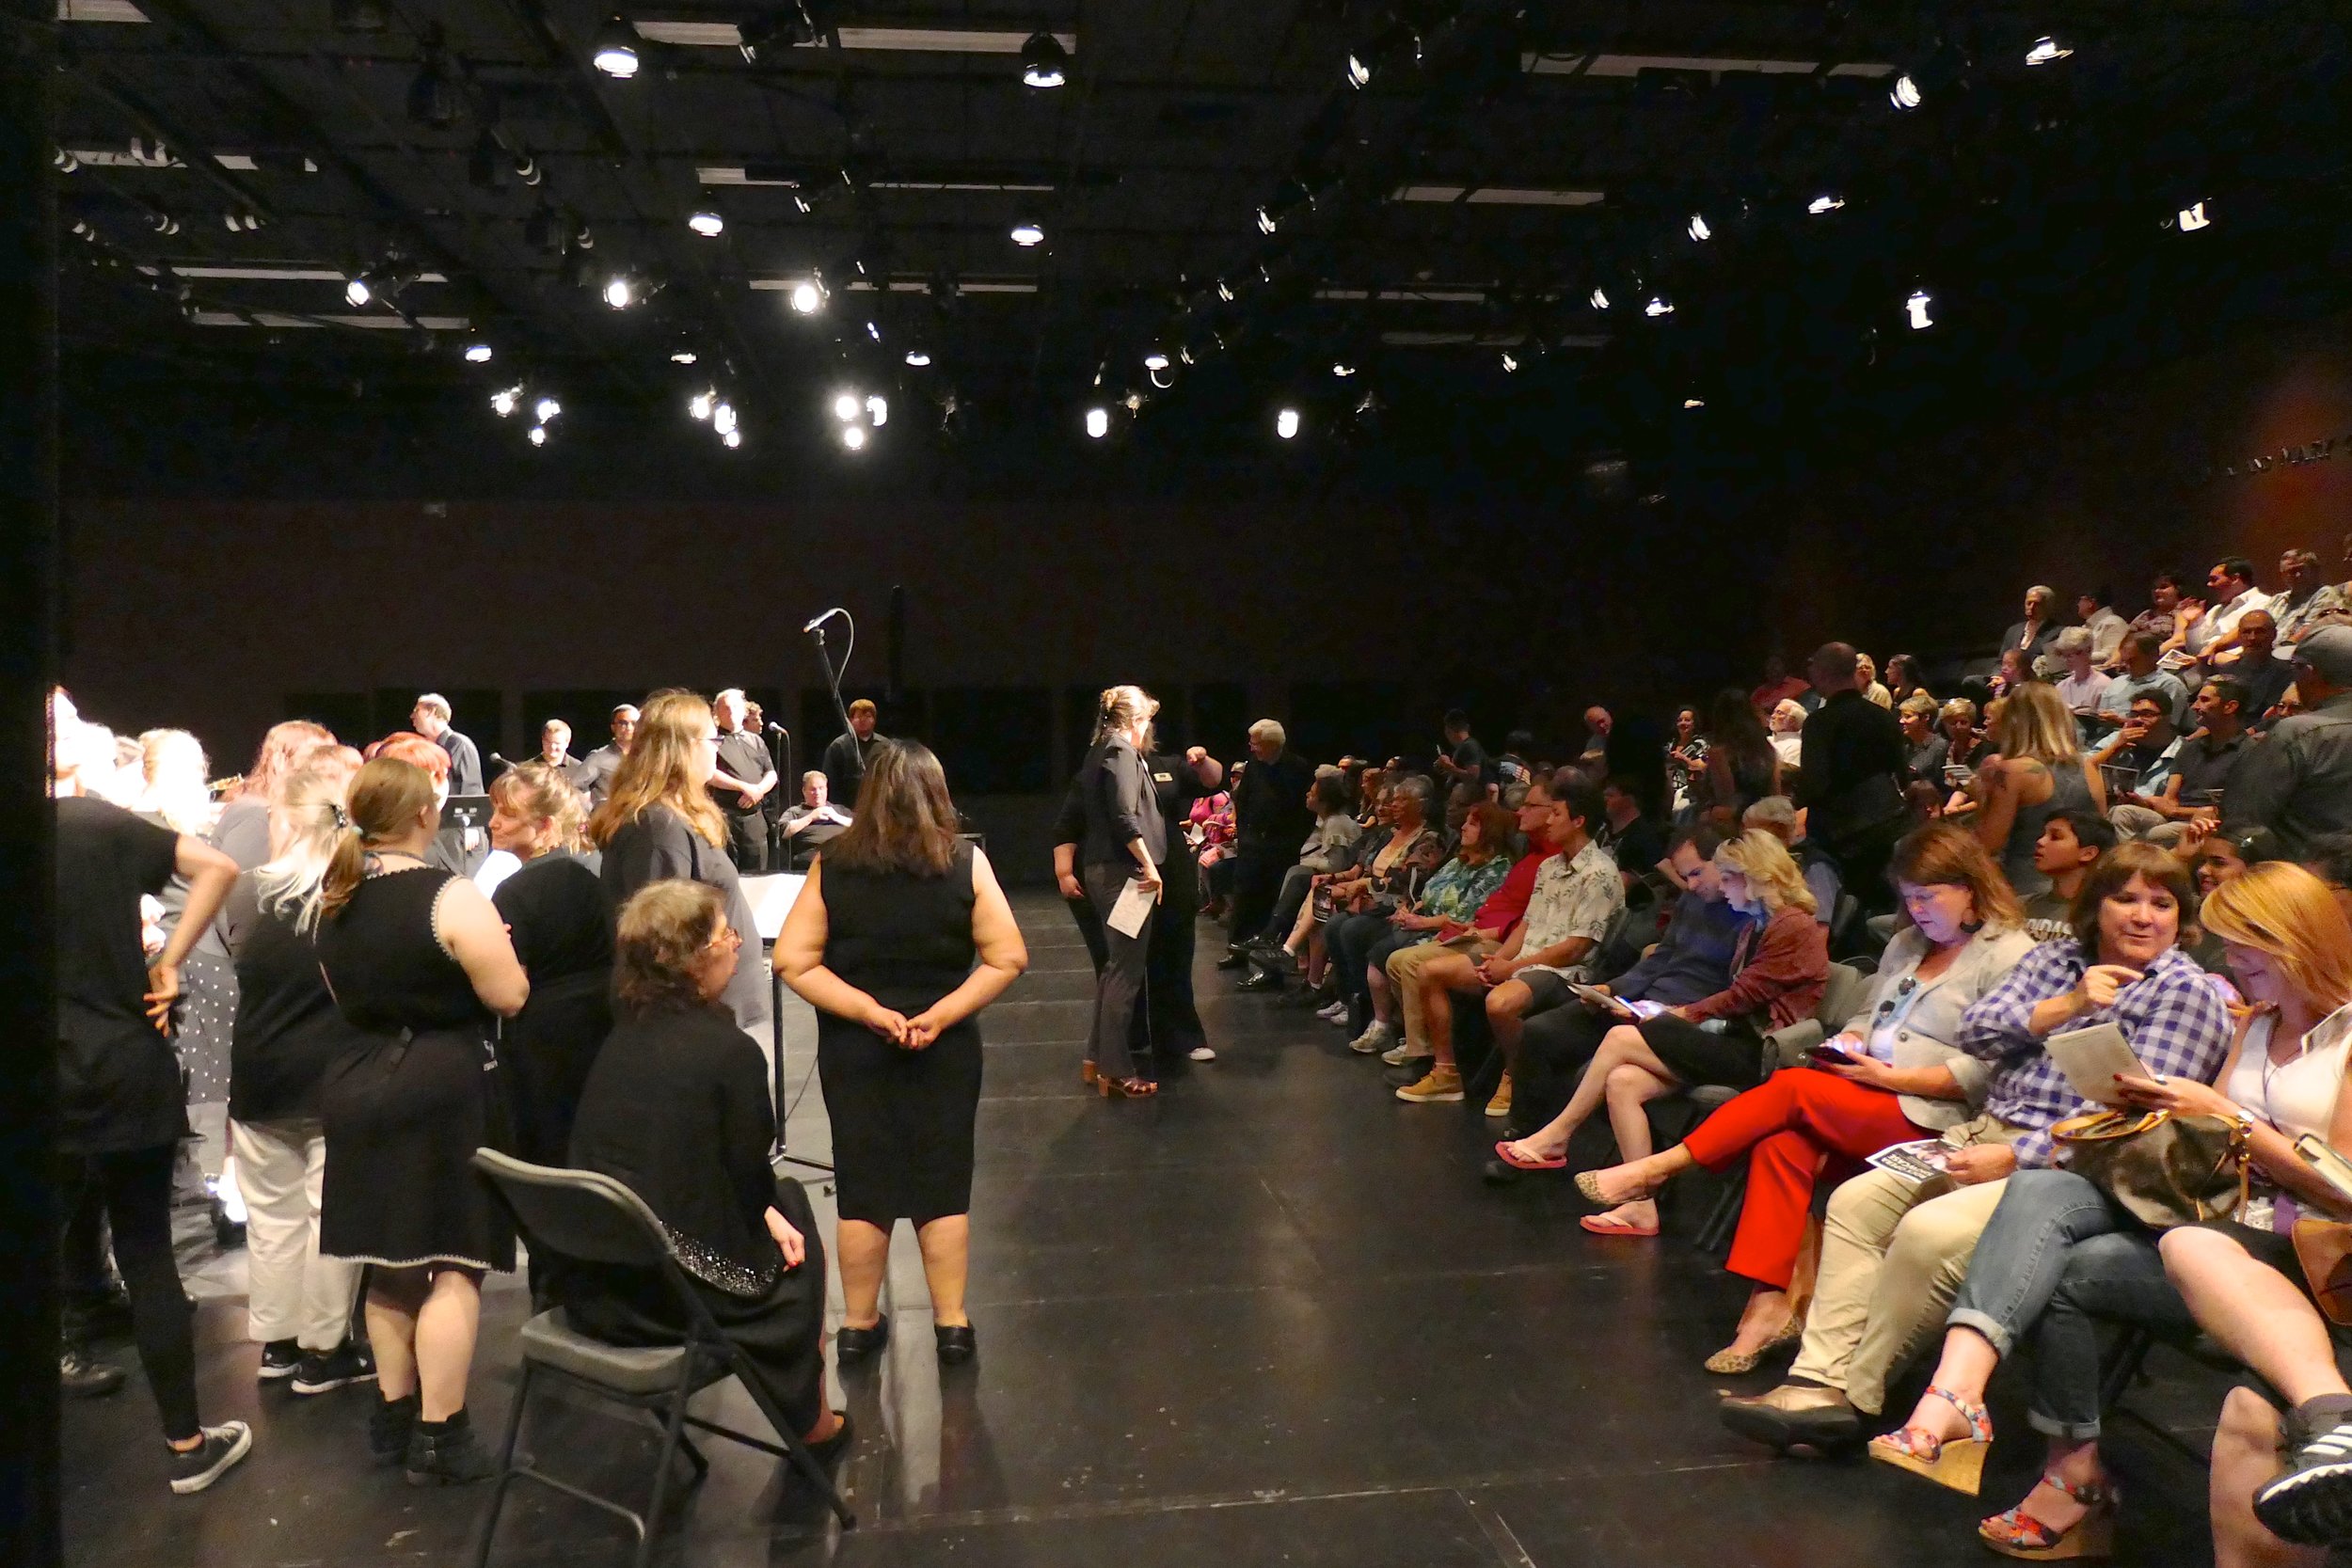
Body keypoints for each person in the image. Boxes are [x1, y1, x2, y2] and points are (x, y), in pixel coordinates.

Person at [1873, 864, 2351, 1558]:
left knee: (2145, 1248)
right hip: (2227, 1223)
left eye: (2243, 947)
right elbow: (2206, 1148)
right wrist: (2148, 1109)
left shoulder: (2343, 1036)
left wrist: (2229, 1119)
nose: (2233, 963)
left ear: (2290, 939)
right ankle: (1984, 1409)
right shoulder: (2256, 1024)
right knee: (2054, 1215)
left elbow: (2341, 1186)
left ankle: (2056, 1470)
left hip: (2308, 1247)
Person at [1719, 842, 2232, 1457]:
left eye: (2162, 902)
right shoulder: (2058, 960)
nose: (2143, 916)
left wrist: (2014, 1157)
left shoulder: (2182, 992)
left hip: (2069, 1170)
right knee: (1855, 1202)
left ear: (2182, 916)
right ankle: (1816, 1381)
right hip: (1980, 1132)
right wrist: (2070, 1004)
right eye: (2126, 898)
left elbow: (2125, 1121)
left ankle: (1853, 1399)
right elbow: (1976, 1031)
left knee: (1927, 1233)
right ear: (2096, 906)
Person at [1555, 825, 2035, 1370]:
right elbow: (1865, 1014)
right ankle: (1768, 1308)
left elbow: (1989, 1071)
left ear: (1971, 887)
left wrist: (1892, 1079)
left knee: (1792, 1086)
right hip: (1862, 1091)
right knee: (1781, 1145)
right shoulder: (1906, 944)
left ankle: (1658, 1169)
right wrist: (1851, 1040)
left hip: (1933, 1113)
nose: (1918, 909)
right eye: (1909, 897)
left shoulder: (2010, 954)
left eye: (1930, 896)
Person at [563, 880, 847, 1455]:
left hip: (596, 1289)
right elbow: (748, 1173)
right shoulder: (729, 1053)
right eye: (725, 935)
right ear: (690, 959)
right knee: (792, 1208)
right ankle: (811, 1425)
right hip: (673, 1299)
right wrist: (767, 1211)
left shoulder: (619, 1039)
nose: (737, 945)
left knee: (775, 1206)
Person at [774, 738, 1026, 1362]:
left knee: (865, 1183)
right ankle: (953, 1325)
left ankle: (858, 1326)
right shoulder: (966, 862)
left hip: (856, 1049)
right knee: (943, 1180)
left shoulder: (832, 863)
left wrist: (869, 1011)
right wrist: (937, 1015)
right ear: (936, 794)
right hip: (945, 1049)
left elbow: (792, 960)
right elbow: (1008, 956)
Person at [314, 755, 531, 1484]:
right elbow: (509, 995)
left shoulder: (332, 897)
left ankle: (393, 1415)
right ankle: (444, 1434)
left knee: (389, 1257)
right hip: (439, 1087)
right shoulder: (451, 894)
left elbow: (343, 994)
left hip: (354, 1081)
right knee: (453, 1258)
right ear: (420, 817)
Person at [53, 715, 251, 1492]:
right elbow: (218, 869)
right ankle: (186, 1444)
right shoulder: (102, 824)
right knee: (147, 1252)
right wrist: (167, 961)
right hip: (119, 1060)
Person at [1495, 831, 1828, 1232]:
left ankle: (1557, 1135)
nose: (1722, 888)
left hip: (1765, 1054)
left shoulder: (1791, 925)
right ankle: (1641, 1205)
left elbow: (1744, 995)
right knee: (1623, 1081)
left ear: (1753, 876)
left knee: (1621, 1038)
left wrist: (1680, 1014)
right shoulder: (1759, 924)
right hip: (1733, 1038)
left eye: (1727, 878)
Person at [221, 752, 373, 1396]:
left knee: (272, 1219)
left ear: (285, 822)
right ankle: (324, 1350)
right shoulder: (352, 896)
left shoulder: (243, 887)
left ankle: (277, 1346)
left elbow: (239, 958)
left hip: (258, 1068)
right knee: (331, 1216)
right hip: (335, 1072)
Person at [1493, 825, 1744, 1150]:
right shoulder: (1692, 901)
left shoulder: (1745, 914)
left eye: (1697, 873)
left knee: (1597, 1072)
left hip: (1684, 1016)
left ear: (1723, 863)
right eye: (1686, 877)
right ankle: (1526, 1133)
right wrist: (1612, 989)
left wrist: (1670, 1010)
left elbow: (1738, 992)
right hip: (1644, 1002)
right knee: (1540, 1032)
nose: (1691, 885)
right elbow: (1661, 957)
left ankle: (1564, 1141)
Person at [1397, 773, 1620, 1109]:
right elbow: (1526, 924)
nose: (1549, 820)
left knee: (1500, 1003)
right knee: (1429, 972)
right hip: (1526, 960)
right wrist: (1498, 960)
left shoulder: (1600, 873)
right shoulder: (1549, 867)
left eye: (1555, 814)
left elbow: (1577, 947)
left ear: (1579, 821)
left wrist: (1513, 967)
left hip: (1564, 973)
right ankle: (1446, 1073)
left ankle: (1516, 1076)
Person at [592, 690, 771, 1041]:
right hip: (699, 1023)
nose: (718, 747)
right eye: (712, 738)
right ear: (684, 748)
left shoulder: (674, 816)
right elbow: (664, 950)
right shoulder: (659, 829)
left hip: (718, 1013)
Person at [1378, 774, 1558, 1074]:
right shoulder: (1533, 857)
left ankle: (1435, 1061)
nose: (1519, 812)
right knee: (1393, 956)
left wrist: (1496, 950)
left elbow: (1522, 922)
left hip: (1497, 940)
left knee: (1412, 962)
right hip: (1476, 930)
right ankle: (1420, 1045)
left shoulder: (1533, 864)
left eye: (1529, 805)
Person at [486, 762, 613, 1171]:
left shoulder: (515, 890)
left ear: (543, 825)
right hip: (601, 1031)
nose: (493, 823)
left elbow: (510, 989)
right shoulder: (593, 875)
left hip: (543, 1045)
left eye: (506, 814)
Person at [1346, 802, 1514, 1056]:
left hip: (1452, 930)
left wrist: (1421, 922)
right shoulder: (1459, 861)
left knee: (1396, 957)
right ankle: (1397, 1028)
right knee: (1360, 936)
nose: (1464, 827)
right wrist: (1411, 909)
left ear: (1489, 831)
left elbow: (1466, 914)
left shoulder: (1496, 870)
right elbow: (1429, 891)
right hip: (1422, 921)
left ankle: (1418, 1043)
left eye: (1473, 823)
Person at [1071, 687, 1169, 1096]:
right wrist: (1149, 865)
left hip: (1107, 870)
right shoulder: (1121, 753)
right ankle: (1116, 1068)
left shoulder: (1099, 750)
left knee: (1115, 968)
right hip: (1124, 873)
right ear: (1135, 720)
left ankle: (1097, 1058)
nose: (1149, 727)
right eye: (1147, 719)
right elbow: (1125, 816)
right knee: (1126, 970)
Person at [1318, 775, 1450, 1039]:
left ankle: (1367, 1006)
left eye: (1402, 799)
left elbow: (1409, 879)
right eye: (1396, 799)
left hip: (1399, 905)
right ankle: (1348, 997)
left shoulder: (1429, 838)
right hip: (1372, 900)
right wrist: (1347, 883)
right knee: (1333, 925)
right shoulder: (1388, 834)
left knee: (1352, 930)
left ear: (1421, 805)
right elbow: (1366, 867)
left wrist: (1366, 885)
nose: (1395, 804)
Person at [1796, 642, 1911, 911]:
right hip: (1889, 826)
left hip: (1840, 838)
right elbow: (1903, 776)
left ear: (1822, 672)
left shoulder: (1819, 723)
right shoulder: (1883, 716)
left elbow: (1815, 785)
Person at [1965, 682, 2103, 898]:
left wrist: (1981, 795)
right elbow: (2100, 830)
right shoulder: (2088, 767)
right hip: (2083, 890)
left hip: (2024, 890)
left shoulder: (2014, 770)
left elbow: (1988, 844)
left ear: (2014, 720)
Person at [2225, 626, 2352, 855]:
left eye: (2295, 667)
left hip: (2301, 877)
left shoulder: (2298, 731)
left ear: (2311, 673)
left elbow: (2244, 822)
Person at [1221, 719, 1317, 952]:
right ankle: (1237, 949)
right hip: (1253, 843)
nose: (1252, 748)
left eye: (1256, 743)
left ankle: (1266, 954)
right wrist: (1244, 836)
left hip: (1281, 847)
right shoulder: (1254, 765)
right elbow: (1242, 800)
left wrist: (1293, 841)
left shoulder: (1299, 768)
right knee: (1244, 897)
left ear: (1273, 744)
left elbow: (1306, 813)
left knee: (1272, 901)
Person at [215, 721, 336, 867]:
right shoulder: (255, 814)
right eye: (315, 760)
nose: (324, 772)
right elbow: (242, 881)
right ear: (280, 761)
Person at [2019, 808, 2117, 940]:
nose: (2040, 842)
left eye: (2055, 837)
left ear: (2087, 853)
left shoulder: (2105, 914)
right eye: (2043, 835)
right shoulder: (2019, 907)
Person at [709, 688, 778, 872]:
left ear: (744, 711)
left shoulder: (755, 740)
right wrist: (744, 787)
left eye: (735, 706)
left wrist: (758, 791)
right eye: (725, 708)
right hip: (725, 818)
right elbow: (709, 773)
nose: (731, 711)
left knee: (757, 874)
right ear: (716, 712)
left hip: (754, 820)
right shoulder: (711, 741)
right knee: (726, 873)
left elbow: (771, 773)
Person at [1698, 687, 1782, 830]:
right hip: (1766, 824)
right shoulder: (1767, 750)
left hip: (1736, 828)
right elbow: (1775, 794)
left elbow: (1726, 802)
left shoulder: (1719, 753)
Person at [2097, 629, 2191, 728]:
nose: (2126, 666)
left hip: (2144, 741)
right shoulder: (2117, 682)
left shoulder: (2170, 685)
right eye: (2124, 661)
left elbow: (2166, 727)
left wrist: (2121, 722)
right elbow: (2101, 713)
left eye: (2132, 660)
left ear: (2153, 656)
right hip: (2105, 737)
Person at [2191, 556, 2269, 669]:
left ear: (2235, 578)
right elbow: (2196, 648)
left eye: (2214, 579)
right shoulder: (2215, 610)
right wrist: (2192, 623)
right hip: (2205, 666)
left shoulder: (2262, 602)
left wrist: (2214, 647)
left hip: (2240, 667)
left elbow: (2247, 631)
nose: (2209, 584)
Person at [2271, 546, 2348, 653]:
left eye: (2301, 570)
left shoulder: (2325, 593)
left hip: (2300, 656)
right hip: (2268, 658)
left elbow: (2314, 629)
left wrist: (2282, 650)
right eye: (2291, 571)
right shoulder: (2277, 600)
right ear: (2282, 574)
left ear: (2314, 571)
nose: (2297, 575)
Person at [2229, 610, 2298, 722]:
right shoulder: (2227, 670)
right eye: (2246, 632)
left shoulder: (2286, 672)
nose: (2252, 638)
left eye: (2260, 632)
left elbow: (2276, 715)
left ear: (2274, 634)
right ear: (2239, 636)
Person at [410, 693, 483, 797]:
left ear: (431, 711)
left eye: (416, 711)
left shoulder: (460, 745)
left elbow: (470, 792)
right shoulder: (424, 747)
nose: (412, 716)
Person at [821, 697, 884, 807]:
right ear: (850, 721)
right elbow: (830, 782)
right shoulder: (838, 746)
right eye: (859, 716)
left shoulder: (885, 746)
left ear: (874, 720)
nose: (863, 720)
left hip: (879, 807)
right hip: (846, 809)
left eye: (868, 716)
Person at [573, 703, 637, 807]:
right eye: (623, 723)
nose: (629, 728)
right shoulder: (598, 757)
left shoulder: (646, 756)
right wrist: (591, 809)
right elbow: (575, 786)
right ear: (613, 727)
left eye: (634, 723)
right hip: (609, 818)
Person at [2051, 627, 2110, 735]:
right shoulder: (2061, 686)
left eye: (2070, 655)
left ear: (2088, 650)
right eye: (2063, 655)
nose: (2066, 660)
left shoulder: (2104, 684)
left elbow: (2105, 725)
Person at [780, 769, 852, 857]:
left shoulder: (840, 810)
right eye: (813, 789)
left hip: (842, 854)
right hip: (811, 857)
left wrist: (836, 816)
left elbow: (862, 826)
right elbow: (783, 832)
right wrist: (811, 817)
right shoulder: (796, 811)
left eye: (821, 788)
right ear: (804, 791)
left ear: (826, 789)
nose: (817, 793)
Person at [2003, 586, 2062, 666]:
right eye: (2029, 603)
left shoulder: (2057, 633)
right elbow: (2000, 662)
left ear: (2048, 606)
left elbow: (2054, 667)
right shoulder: (2013, 631)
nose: (2031, 608)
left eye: (2037, 604)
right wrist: (1996, 676)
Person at [1434, 708, 1490, 790]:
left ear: (1448, 730)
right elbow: (1460, 775)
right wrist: (1443, 768)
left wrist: (1449, 767)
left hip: (1470, 799)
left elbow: (1473, 777)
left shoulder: (1469, 746)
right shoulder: (1464, 747)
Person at [1899, 693, 1948, 783]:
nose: (1901, 721)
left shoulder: (1940, 746)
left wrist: (1918, 776)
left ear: (1926, 717)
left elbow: (1942, 784)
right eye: (1901, 716)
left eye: (1908, 716)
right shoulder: (1905, 746)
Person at [2077, 590, 2130, 669]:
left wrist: (2078, 655)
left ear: (2091, 603)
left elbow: (2112, 655)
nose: (2078, 604)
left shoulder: (2113, 622)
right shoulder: (2085, 627)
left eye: (2080, 600)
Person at [1753, 652, 1812, 716]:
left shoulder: (1799, 685)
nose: (1772, 667)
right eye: (1768, 664)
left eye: (1776, 663)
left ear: (1784, 666)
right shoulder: (1758, 693)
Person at [532, 719, 583, 783]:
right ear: (543, 740)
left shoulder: (579, 770)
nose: (552, 747)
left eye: (557, 743)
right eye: (548, 742)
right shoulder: (529, 768)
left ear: (567, 743)